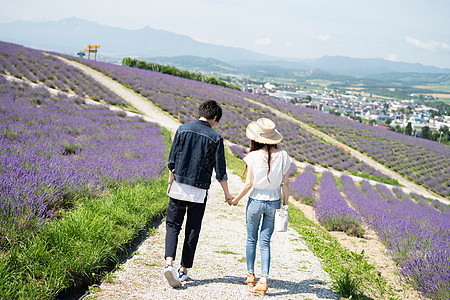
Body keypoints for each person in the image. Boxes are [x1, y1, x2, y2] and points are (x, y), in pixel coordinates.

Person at [164, 100, 234, 288]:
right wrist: (227, 195)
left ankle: (168, 264)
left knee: (172, 225)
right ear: (215, 118)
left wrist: (170, 182)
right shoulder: (215, 137)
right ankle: (183, 270)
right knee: (192, 229)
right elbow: (220, 171)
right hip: (199, 192)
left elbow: (172, 161)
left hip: (179, 187)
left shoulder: (182, 129)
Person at [231, 118, 292, 296]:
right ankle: (264, 280)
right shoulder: (284, 156)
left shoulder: (252, 156)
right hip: (274, 203)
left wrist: (236, 199)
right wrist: (285, 205)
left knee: (251, 238)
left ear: (256, 138)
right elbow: (286, 184)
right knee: (265, 242)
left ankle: (250, 275)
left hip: (255, 201)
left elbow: (249, 184)